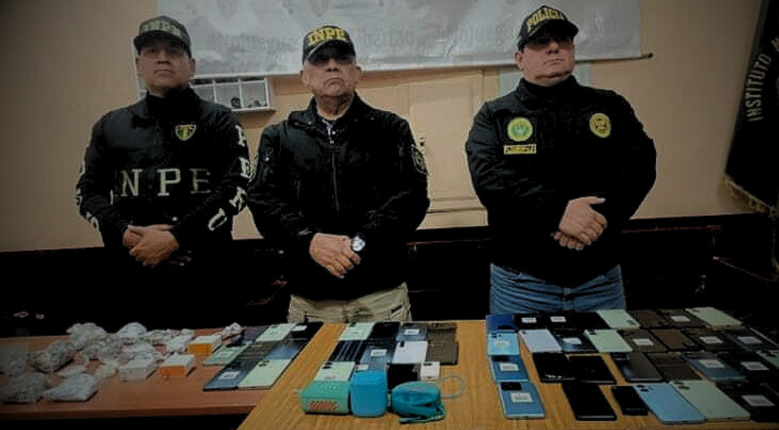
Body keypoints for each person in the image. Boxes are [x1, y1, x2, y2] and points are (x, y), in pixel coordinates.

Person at [465, 5, 657, 314]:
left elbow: (640, 167)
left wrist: (591, 221)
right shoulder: (495, 115)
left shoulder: (610, 106)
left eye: (562, 40)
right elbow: (489, 179)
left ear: (573, 50)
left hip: (600, 282)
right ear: (520, 59)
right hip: (521, 285)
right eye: (540, 42)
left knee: (613, 350)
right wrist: (556, 213)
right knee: (519, 351)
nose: (554, 47)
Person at [76, 16, 251, 330]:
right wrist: (124, 232)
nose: (162, 58)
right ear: (138, 65)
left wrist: (176, 238)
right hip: (133, 285)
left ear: (191, 65)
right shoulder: (110, 126)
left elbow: (235, 189)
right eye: (152, 51)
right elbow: (88, 192)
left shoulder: (221, 121)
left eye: (173, 51)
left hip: (208, 285)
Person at [248, 25, 429, 323]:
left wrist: (360, 242)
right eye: (321, 59)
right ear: (304, 76)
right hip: (310, 302)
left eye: (342, 58)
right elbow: (263, 203)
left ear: (357, 73)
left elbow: (412, 198)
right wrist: (309, 241)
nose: (332, 65)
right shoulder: (279, 137)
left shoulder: (391, 129)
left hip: (381, 298)